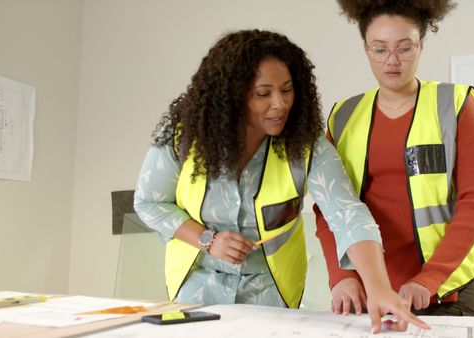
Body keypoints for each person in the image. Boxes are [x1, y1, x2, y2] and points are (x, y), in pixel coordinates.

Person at [133, 29, 428, 333]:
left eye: (287, 90)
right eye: (263, 94)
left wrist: (378, 287)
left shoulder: (304, 143)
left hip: (272, 293)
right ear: (232, 96)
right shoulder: (185, 137)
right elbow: (148, 203)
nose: (280, 104)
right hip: (196, 289)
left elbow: (347, 213)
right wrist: (207, 240)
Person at [315, 0, 474, 317]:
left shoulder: (455, 106)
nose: (392, 61)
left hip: (444, 292)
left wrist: (429, 279)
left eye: (405, 48)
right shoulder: (343, 116)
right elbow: (328, 207)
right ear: (366, 49)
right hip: (371, 290)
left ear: (421, 45)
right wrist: (341, 277)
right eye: (379, 49)